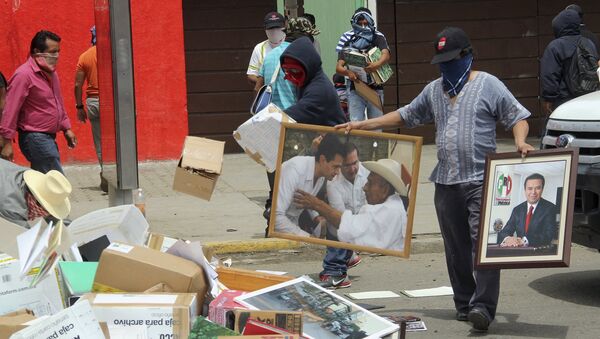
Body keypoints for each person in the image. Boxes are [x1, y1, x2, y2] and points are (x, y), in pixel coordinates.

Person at [337, 27, 535, 332]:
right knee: (455, 246)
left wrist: (521, 142)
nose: (446, 67)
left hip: (481, 179)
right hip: (445, 181)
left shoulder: (488, 85)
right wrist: (363, 123)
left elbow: (517, 116)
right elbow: (405, 115)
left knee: (482, 245)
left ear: (467, 56)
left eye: (451, 60)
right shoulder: (434, 91)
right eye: (441, 61)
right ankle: (464, 302)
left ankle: (483, 306)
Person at [296, 157, 408, 287]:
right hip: (356, 231)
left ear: (384, 190)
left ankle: (336, 271)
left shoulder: (386, 211)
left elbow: (346, 225)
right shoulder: (391, 203)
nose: (365, 188)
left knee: (336, 226)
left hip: (352, 231)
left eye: (370, 183)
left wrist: (317, 205)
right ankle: (346, 259)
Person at [0, 30, 77, 173]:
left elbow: (57, 102)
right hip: (34, 137)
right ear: (37, 52)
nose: (56, 56)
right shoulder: (24, 75)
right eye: (52, 52)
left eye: (58, 51)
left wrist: (66, 128)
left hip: (48, 137)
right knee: (55, 181)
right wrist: (6, 142)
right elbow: (10, 109)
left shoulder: (51, 73)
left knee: (42, 183)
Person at [317, 143, 369, 288]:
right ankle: (336, 268)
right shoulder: (333, 182)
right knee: (337, 224)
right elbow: (340, 219)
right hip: (345, 222)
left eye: (355, 163)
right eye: (347, 165)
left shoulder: (368, 172)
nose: (353, 169)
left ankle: (337, 269)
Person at [274, 134, 344, 237]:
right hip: (279, 232)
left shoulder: (321, 174)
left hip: (293, 228)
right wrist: (307, 238)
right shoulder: (295, 170)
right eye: (335, 167)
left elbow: (305, 197)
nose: (338, 172)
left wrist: (315, 216)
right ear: (323, 160)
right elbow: (276, 217)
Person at [336, 9, 391, 123]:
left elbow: (386, 55)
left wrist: (377, 64)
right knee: (356, 124)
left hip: (375, 88)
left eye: (366, 23)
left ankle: (375, 142)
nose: (363, 26)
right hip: (355, 87)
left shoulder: (378, 37)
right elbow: (339, 67)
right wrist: (348, 73)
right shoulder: (347, 40)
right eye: (360, 23)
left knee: (376, 124)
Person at [540, 8, 598, 114]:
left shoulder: (555, 46)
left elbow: (550, 75)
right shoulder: (588, 43)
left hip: (565, 101)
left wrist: (549, 98)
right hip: (589, 98)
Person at [255, 17, 320, 110]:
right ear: (303, 37)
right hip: (293, 118)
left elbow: (257, 88)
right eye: (310, 37)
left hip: (270, 117)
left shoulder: (269, 56)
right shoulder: (301, 56)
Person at [75, 26, 106, 192]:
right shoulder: (111, 53)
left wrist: (79, 106)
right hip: (112, 102)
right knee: (117, 140)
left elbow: (77, 85)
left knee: (100, 142)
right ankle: (119, 174)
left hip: (93, 102)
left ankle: (106, 175)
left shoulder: (85, 56)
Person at [0, 158, 72, 228]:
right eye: (48, 209)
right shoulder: (11, 206)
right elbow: (21, 234)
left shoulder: (29, 176)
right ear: (37, 203)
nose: (49, 213)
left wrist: (65, 228)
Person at [497, 173, 558, 248]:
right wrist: (508, 239)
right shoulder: (517, 210)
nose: (533, 192)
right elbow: (505, 231)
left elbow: (549, 235)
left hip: (539, 253)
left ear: (542, 189)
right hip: (518, 252)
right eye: (530, 188)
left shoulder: (550, 208)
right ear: (525, 189)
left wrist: (525, 240)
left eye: (538, 188)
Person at [247, 12, 286, 87]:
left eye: (278, 27)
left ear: (285, 26)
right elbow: (251, 75)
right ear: (265, 29)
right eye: (271, 28)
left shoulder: (291, 45)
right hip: (268, 94)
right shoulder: (259, 48)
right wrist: (266, 82)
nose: (274, 31)